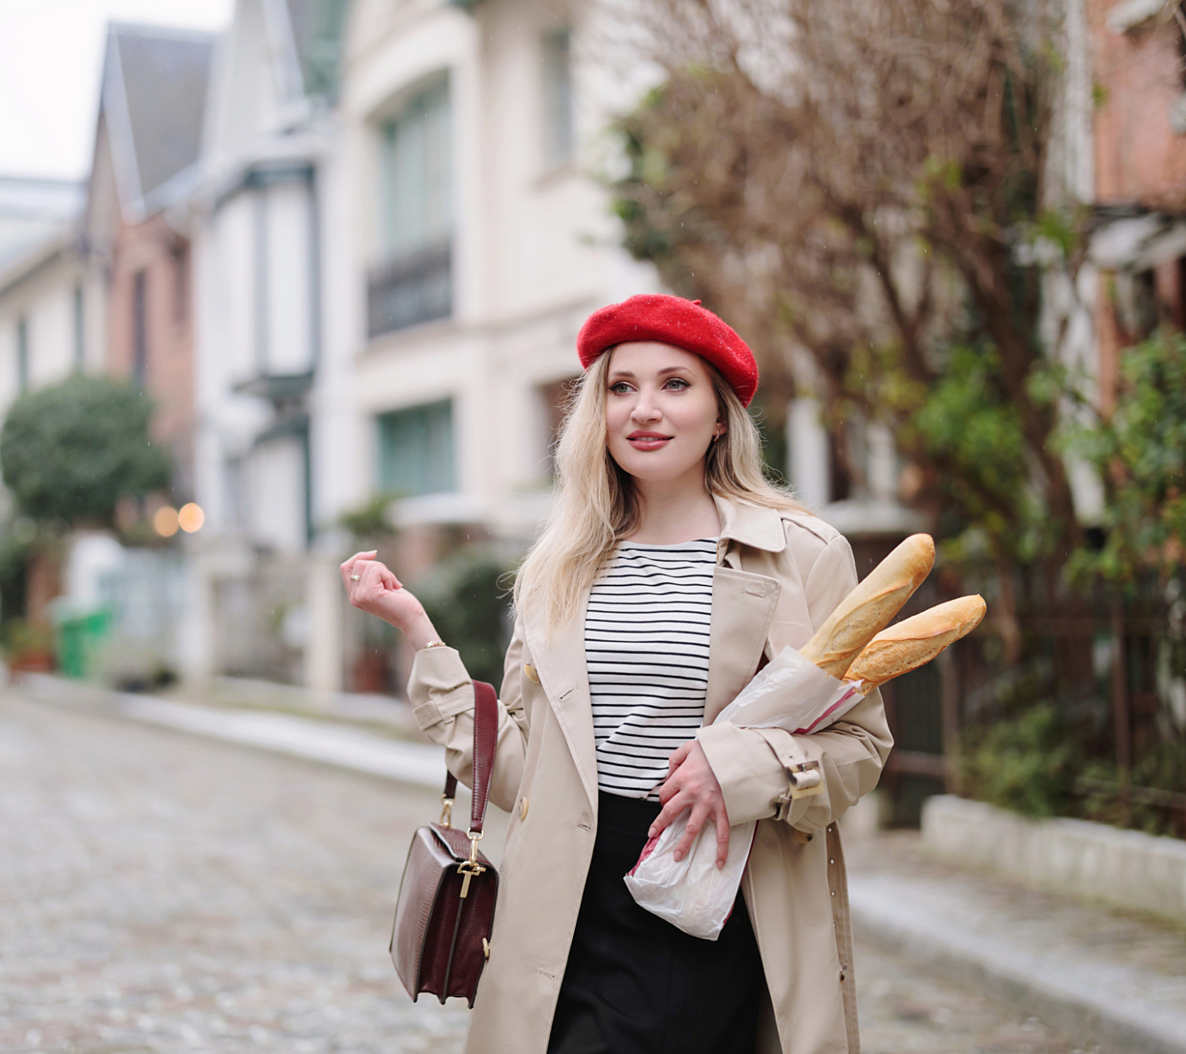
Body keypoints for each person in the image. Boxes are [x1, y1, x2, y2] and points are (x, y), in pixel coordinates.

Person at [342, 294, 891, 1054]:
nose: (645, 409)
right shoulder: (559, 565)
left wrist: (733, 770)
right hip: (565, 907)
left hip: (707, 894)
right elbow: (523, 773)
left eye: (675, 384)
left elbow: (859, 747)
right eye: (620, 387)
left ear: (720, 414)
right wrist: (418, 632)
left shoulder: (801, 553)